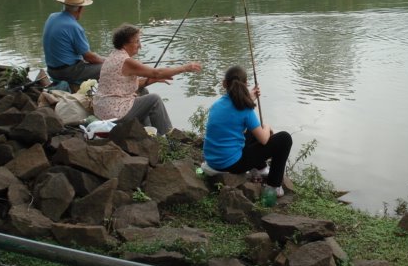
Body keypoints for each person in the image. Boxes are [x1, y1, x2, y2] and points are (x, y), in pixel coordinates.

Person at [93, 23, 201, 134]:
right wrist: (185, 68)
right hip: (113, 113)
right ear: (125, 44)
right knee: (154, 100)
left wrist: (149, 81)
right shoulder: (126, 61)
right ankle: (170, 137)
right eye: (137, 42)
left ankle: (149, 133)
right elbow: (157, 72)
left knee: (144, 92)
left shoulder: (113, 56)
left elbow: (121, 86)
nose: (140, 45)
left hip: (102, 109)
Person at [202, 65, 292, 197]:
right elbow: (263, 139)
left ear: (224, 84)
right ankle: (274, 186)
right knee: (284, 138)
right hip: (231, 164)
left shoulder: (217, 104)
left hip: (212, 160)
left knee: (251, 130)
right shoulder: (245, 109)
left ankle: (260, 168)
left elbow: (234, 114)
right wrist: (266, 127)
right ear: (245, 85)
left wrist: (249, 99)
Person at [43, 0, 105, 84]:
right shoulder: (73, 26)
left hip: (51, 71)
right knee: (111, 68)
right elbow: (89, 57)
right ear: (80, 9)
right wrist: (107, 61)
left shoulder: (52, 17)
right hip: (66, 72)